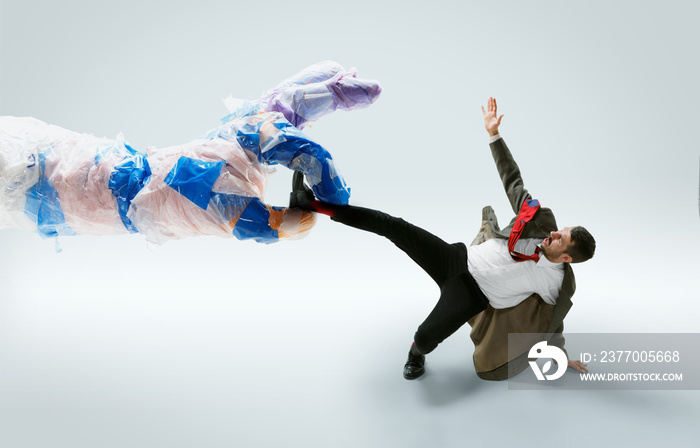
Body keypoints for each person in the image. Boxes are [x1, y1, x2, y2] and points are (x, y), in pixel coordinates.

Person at [291, 97, 595, 380]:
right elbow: (514, 181)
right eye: (561, 230)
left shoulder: (556, 284)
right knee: (393, 226)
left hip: (472, 293)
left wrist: (560, 356)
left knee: (426, 336)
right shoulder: (541, 222)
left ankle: (415, 354)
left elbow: (554, 325)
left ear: (567, 258)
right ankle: (312, 204)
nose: (554, 234)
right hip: (456, 257)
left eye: (560, 240)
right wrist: (494, 135)